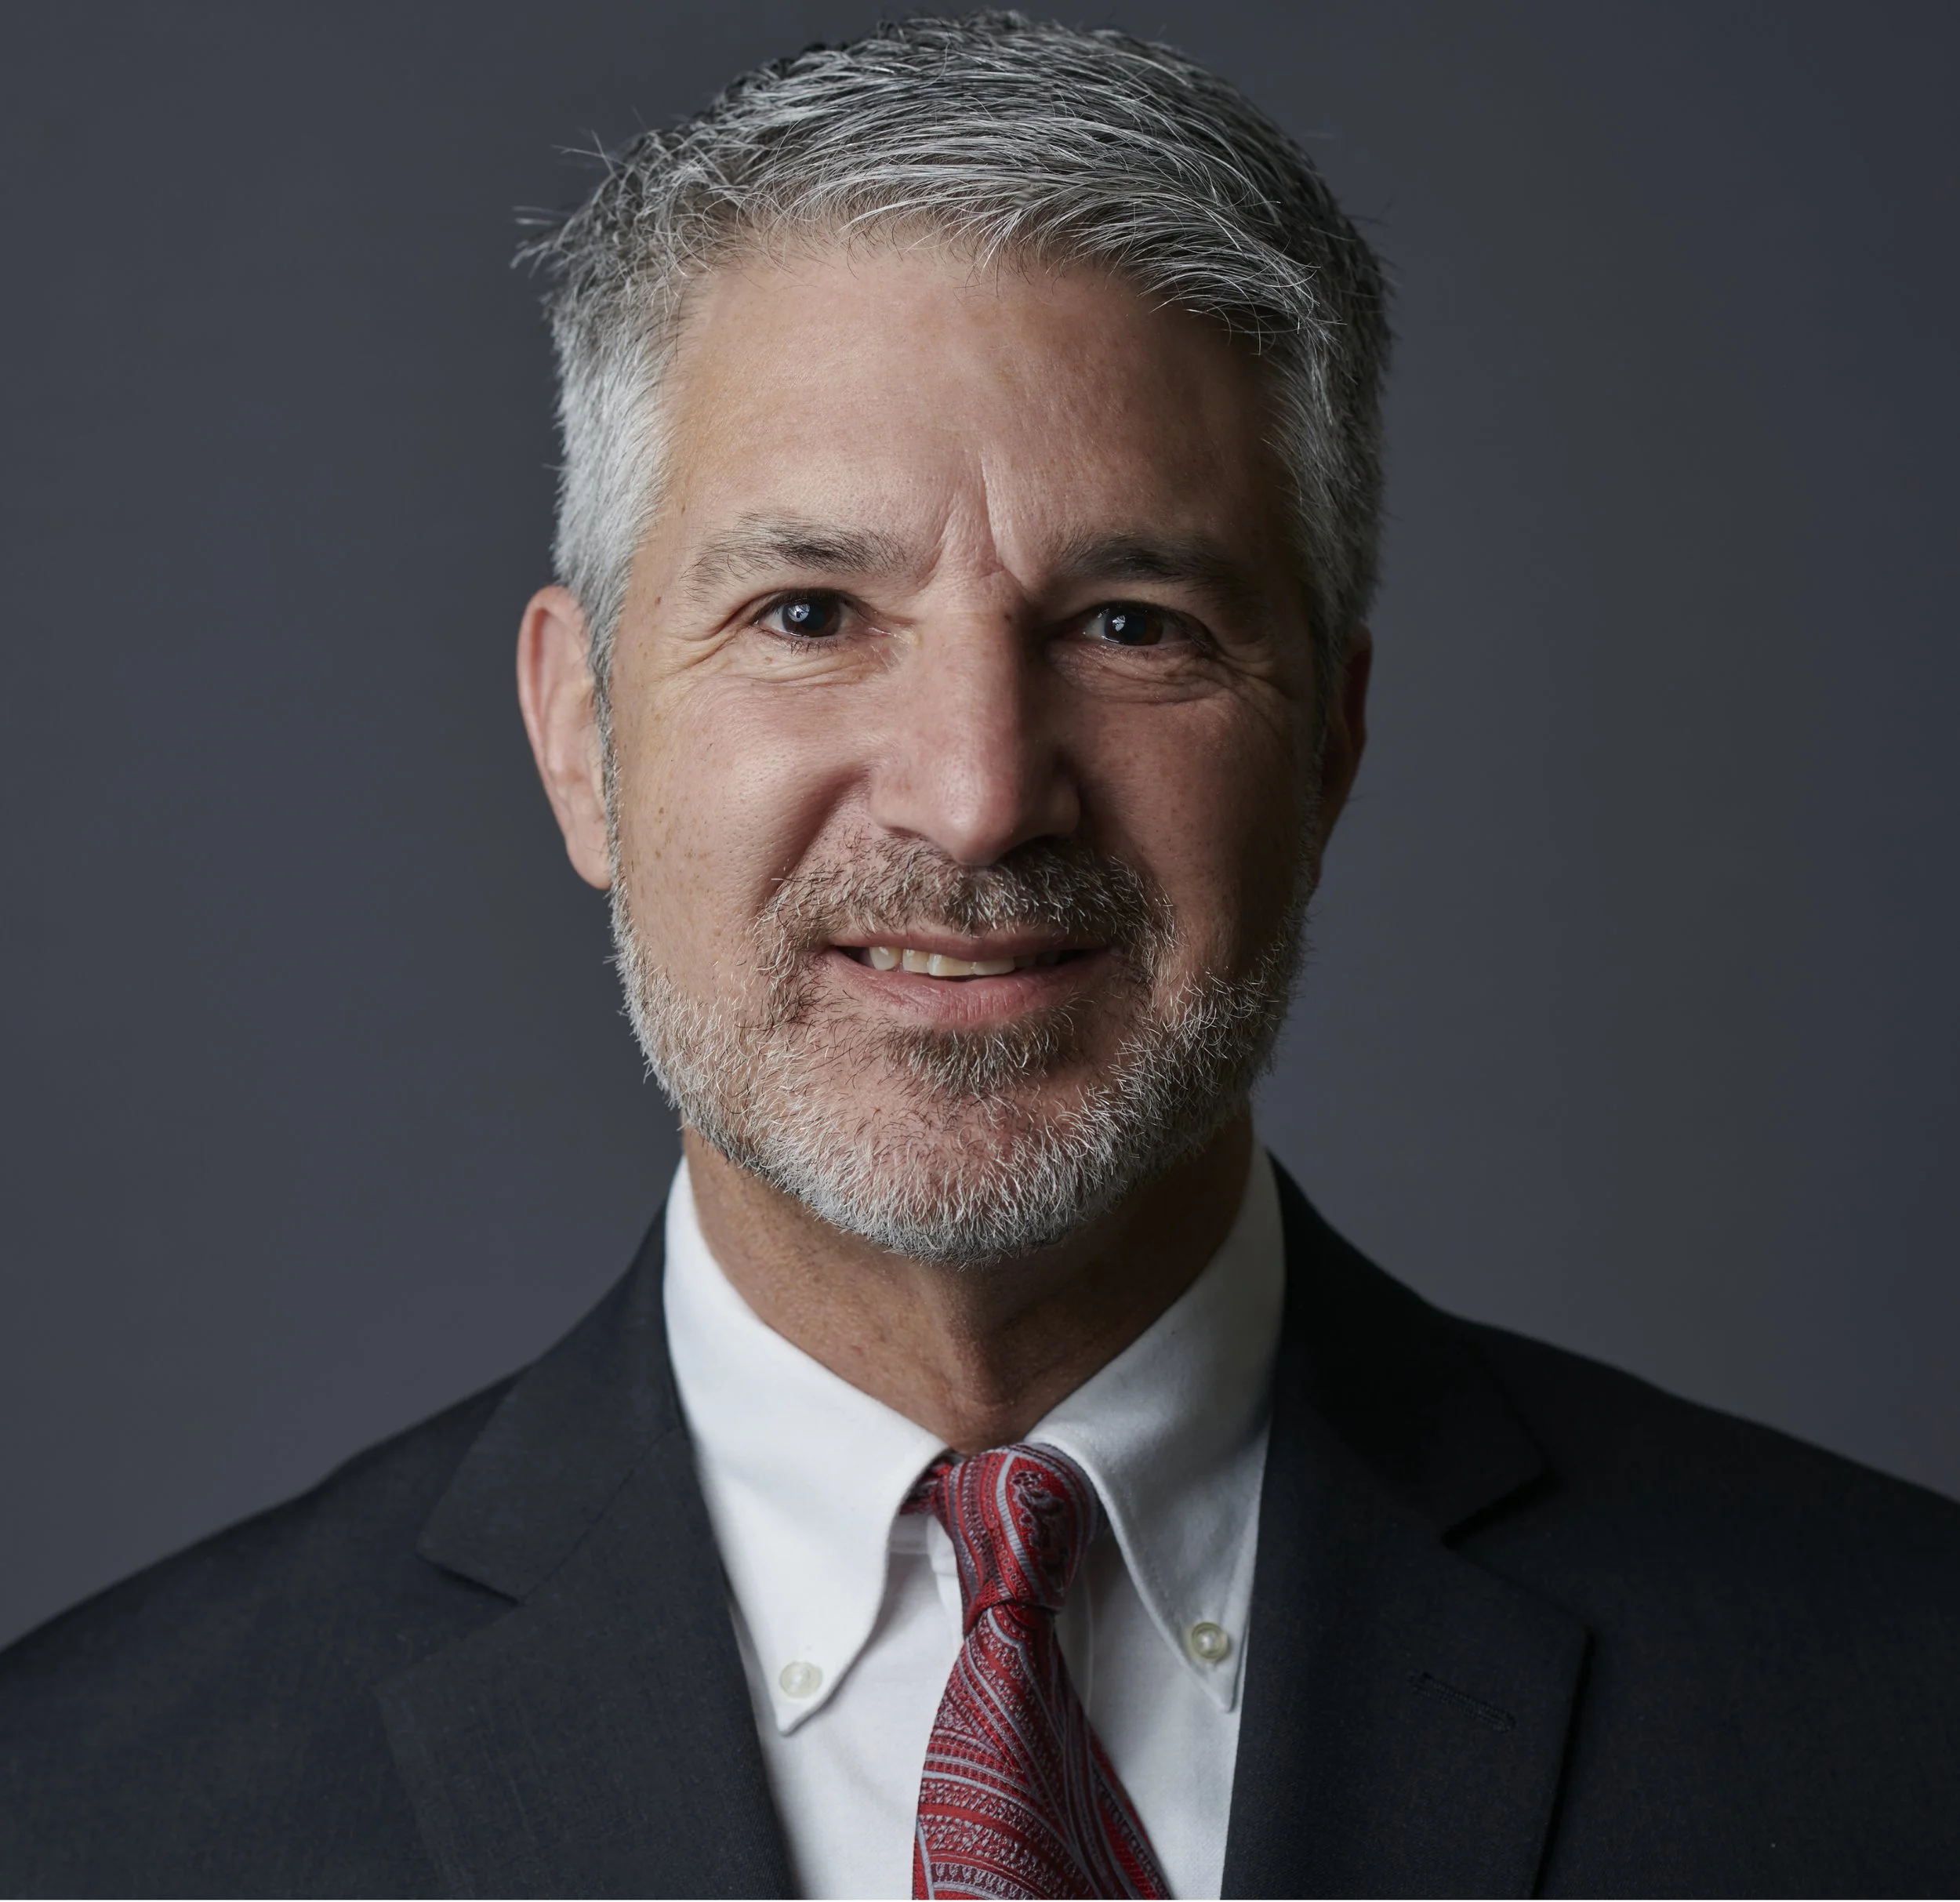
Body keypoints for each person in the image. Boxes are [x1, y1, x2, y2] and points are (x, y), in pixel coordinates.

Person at [2, 13, 1956, 1897]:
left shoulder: (1887, 1719)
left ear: (1330, 747)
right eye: (805, 612)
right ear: (580, 735)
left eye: (1128, 625)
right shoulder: (90, 1814)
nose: (972, 796)